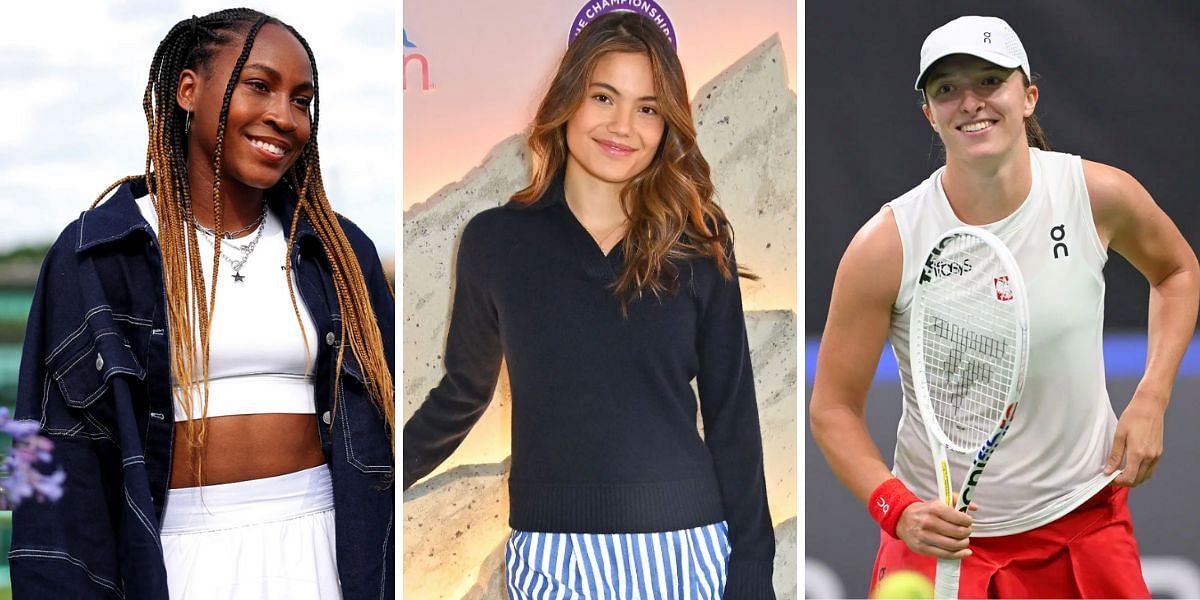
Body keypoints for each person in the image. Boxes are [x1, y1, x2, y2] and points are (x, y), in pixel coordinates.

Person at [810, 15, 1200, 598]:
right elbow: (833, 408)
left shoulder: (1095, 195)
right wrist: (898, 509)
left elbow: (1177, 271)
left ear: (1027, 96)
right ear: (929, 114)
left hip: (1083, 524)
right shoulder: (886, 244)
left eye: (990, 81)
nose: (970, 103)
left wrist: (1152, 397)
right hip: (938, 545)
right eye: (947, 90)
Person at [11, 9, 395, 599]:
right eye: (259, 86)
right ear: (188, 89)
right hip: (176, 556)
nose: (284, 117)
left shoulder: (337, 254)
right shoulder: (99, 256)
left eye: (302, 100)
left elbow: (386, 432)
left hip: (324, 549)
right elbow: (57, 461)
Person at [402, 11, 776, 599]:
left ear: (666, 124)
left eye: (648, 108)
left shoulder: (698, 245)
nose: (623, 126)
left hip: (689, 552)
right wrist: (376, 475)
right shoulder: (496, 241)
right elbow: (462, 395)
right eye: (605, 97)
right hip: (554, 559)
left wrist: (753, 570)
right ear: (569, 99)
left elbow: (733, 417)